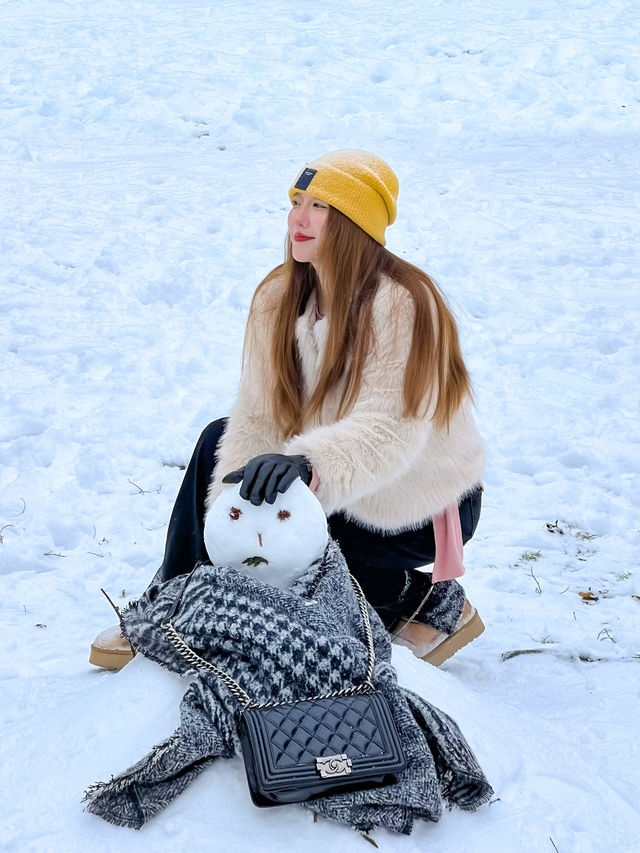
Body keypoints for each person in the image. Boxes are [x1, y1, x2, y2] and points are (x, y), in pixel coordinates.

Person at [89, 149, 486, 671]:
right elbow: (258, 416)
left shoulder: (404, 302)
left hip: (416, 500)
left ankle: (424, 604)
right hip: (333, 483)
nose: (298, 218)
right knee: (219, 445)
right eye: (297, 201)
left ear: (352, 221)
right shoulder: (278, 297)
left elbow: (390, 430)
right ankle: (180, 600)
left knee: (309, 551)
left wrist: (309, 469)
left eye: (319, 205)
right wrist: (231, 522)